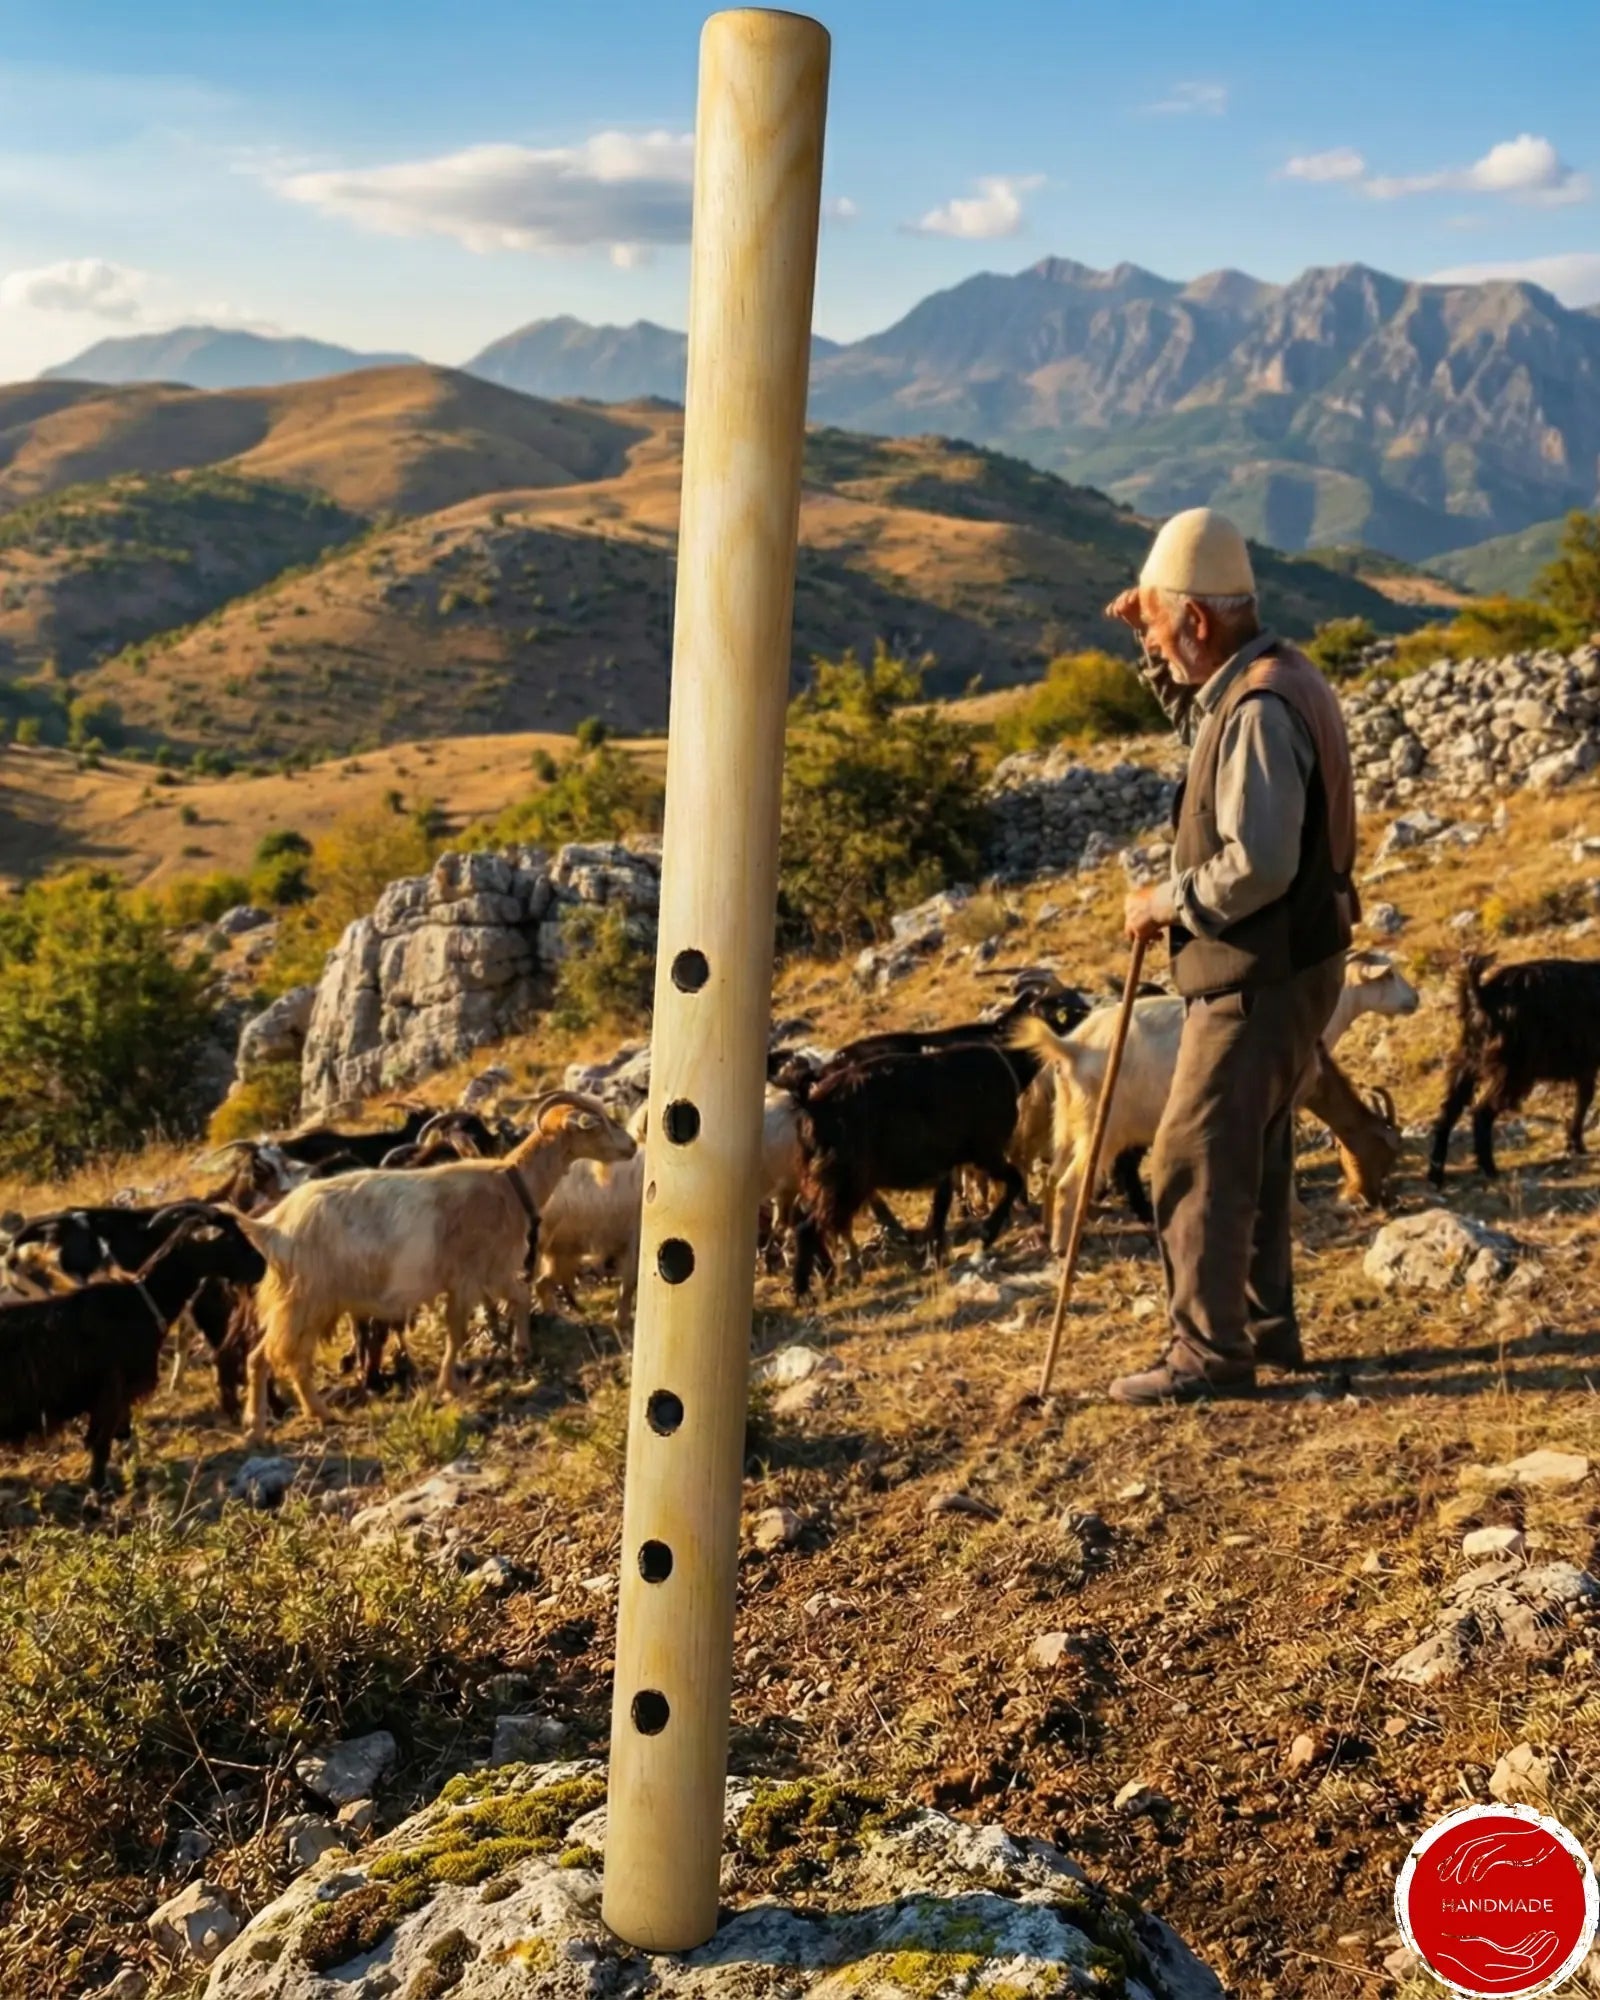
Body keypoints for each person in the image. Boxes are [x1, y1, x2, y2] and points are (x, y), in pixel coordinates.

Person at [1104, 507, 1358, 1404]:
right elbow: (1197, 717)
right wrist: (1148, 642)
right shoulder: (1277, 679)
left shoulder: (1255, 709)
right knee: (1251, 1147)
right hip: (1298, 966)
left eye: (1170, 629)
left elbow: (1259, 862)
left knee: (1193, 1157)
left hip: (1257, 974)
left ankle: (1209, 1357)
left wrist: (1162, 902)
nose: (1164, 646)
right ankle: (1262, 1328)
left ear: (1201, 622)